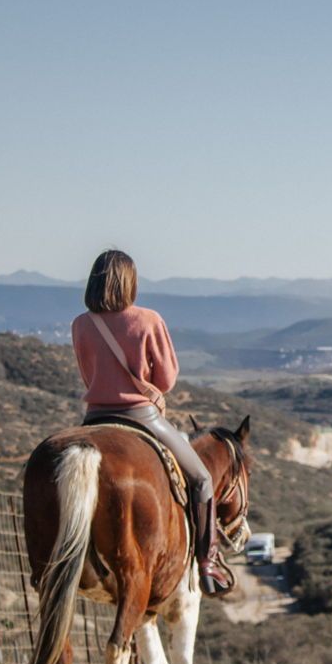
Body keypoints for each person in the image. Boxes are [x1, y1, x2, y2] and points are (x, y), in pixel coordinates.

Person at [70, 249, 233, 597]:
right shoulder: (148, 320)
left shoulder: (81, 323)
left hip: (94, 417)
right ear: (129, 281)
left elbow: (87, 374)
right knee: (202, 479)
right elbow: (167, 379)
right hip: (141, 416)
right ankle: (208, 565)